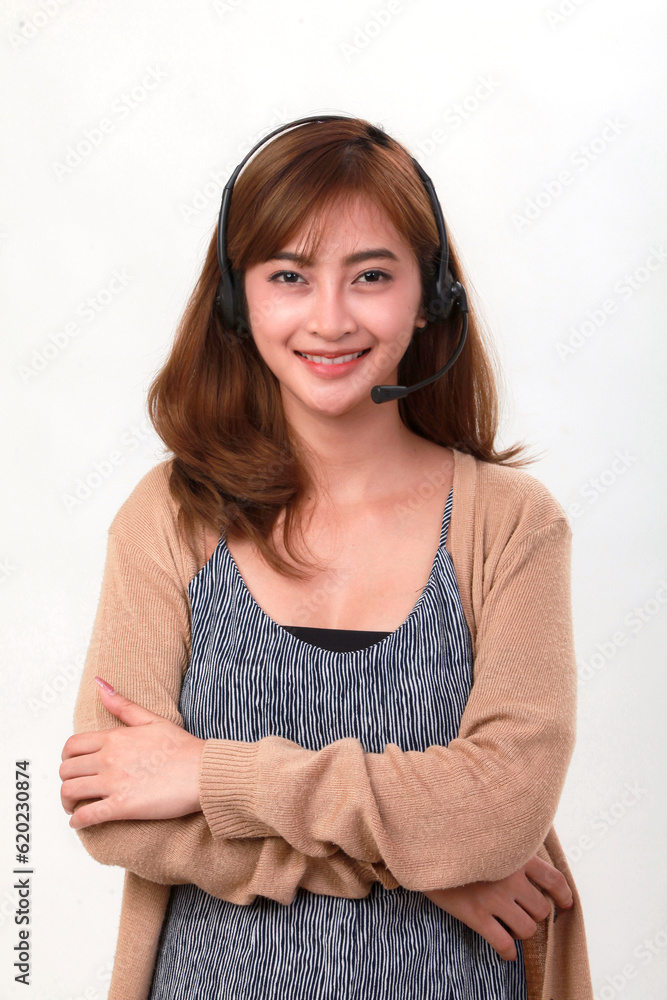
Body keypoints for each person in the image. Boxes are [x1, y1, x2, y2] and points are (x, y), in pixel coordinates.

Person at [59, 115, 594, 999]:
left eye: (371, 276)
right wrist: (420, 865)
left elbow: (500, 811)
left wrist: (207, 773)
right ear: (238, 301)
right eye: (289, 277)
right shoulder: (169, 516)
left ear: (432, 297)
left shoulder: (511, 524)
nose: (330, 318)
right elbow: (113, 813)